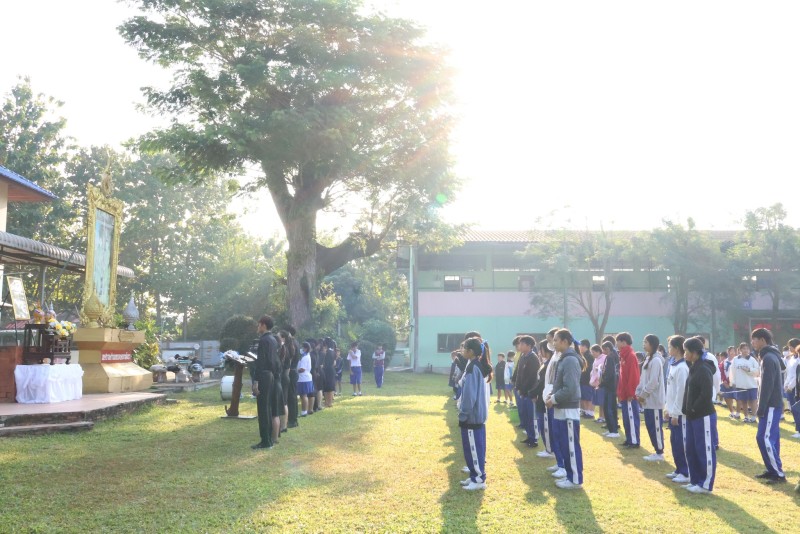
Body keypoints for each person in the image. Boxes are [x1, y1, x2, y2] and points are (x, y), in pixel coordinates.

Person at [546, 328, 584, 490]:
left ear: (564, 341)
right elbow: (560, 384)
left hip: (568, 409)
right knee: (564, 444)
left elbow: (570, 388)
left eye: (555, 340)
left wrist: (554, 398)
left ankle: (575, 480)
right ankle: (569, 475)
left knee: (570, 446)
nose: (553, 343)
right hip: (561, 408)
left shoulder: (570, 360)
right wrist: (552, 396)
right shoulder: (564, 358)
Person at [751, 328, 787, 484]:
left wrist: (761, 407)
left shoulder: (769, 357)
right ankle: (772, 469)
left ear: (762, 340)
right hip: (772, 404)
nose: (752, 342)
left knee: (764, 438)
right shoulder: (770, 355)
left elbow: (767, 386)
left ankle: (778, 473)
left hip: (771, 405)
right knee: (772, 438)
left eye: (754, 339)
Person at [682, 337, 717, 494]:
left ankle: (706, 484)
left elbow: (706, 394)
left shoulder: (703, 368)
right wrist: (687, 409)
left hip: (703, 415)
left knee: (704, 450)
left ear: (694, 352)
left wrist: (694, 409)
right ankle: (695, 480)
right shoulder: (693, 366)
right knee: (691, 449)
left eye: (686, 351)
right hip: (691, 416)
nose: (684, 354)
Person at [457, 337, 489, 491]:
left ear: (470, 351)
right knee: (471, 449)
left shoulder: (473, 367)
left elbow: (470, 396)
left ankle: (478, 479)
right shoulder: (473, 365)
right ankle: (473, 475)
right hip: (473, 416)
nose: (462, 350)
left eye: (464, 348)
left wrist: (463, 413)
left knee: (474, 449)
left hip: (472, 417)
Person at [664, 335, 690, 484]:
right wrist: (667, 408)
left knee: (681, 442)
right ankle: (679, 468)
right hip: (672, 411)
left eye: (670, 346)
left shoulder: (682, 368)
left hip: (679, 414)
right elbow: (670, 391)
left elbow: (681, 393)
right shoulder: (673, 365)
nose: (668, 349)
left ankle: (686, 472)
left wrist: (675, 413)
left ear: (677, 348)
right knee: (674, 442)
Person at [637, 334, 665, 461]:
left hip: (654, 400)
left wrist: (643, 394)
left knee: (655, 427)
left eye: (646, 342)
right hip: (647, 400)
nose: (644, 344)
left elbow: (653, 381)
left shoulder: (656, 361)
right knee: (649, 426)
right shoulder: (648, 358)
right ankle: (656, 450)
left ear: (652, 344)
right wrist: (638, 392)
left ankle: (659, 452)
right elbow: (643, 379)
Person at [251, 316, 278, 449]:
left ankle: (265, 441)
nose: (258, 327)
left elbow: (260, 362)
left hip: (263, 376)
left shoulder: (263, 340)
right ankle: (269, 439)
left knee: (263, 409)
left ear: (263, 325)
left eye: (259, 325)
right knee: (268, 408)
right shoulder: (273, 339)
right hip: (271, 375)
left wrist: (255, 381)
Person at [616, 332, 641, 448]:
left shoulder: (630, 355)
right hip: (624, 393)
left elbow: (633, 376)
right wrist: (620, 392)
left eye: (618, 341)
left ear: (623, 342)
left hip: (629, 395)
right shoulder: (623, 355)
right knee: (626, 418)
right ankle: (629, 438)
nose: (616, 344)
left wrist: (631, 393)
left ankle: (634, 441)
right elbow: (622, 377)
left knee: (631, 417)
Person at [516, 336, 540, 447]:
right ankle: (529, 436)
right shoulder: (522, 356)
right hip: (523, 392)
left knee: (531, 416)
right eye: (519, 344)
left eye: (522, 344)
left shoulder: (533, 358)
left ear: (529, 346)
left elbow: (532, 378)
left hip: (530, 392)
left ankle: (534, 439)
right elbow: (519, 374)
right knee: (525, 416)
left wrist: (524, 390)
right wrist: (518, 387)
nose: (519, 346)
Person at [534, 341, 553, 458]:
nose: (539, 352)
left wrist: (532, 393)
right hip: (541, 398)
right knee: (542, 425)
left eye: (540, 349)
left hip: (545, 399)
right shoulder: (546, 363)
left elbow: (541, 384)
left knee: (546, 426)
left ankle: (550, 450)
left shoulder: (550, 364)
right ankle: (548, 448)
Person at [732, 342, 760, 423]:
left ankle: (754, 417)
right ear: (740, 350)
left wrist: (749, 370)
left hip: (751, 384)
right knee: (743, 401)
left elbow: (757, 371)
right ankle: (746, 416)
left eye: (747, 349)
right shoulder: (736, 359)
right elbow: (733, 371)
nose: (746, 350)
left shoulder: (752, 359)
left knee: (753, 400)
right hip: (740, 384)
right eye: (744, 348)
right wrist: (733, 381)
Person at [601, 340, 620, 438]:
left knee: (609, 409)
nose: (603, 352)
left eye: (604, 350)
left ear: (607, 349)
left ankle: (614, 431)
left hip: (610, 387)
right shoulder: (615, 356)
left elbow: (609, 373)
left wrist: (602, 383)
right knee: (610, 408)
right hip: (613, 386)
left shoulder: (610, 357)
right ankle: (611, 429)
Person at [297, 341, 314, 416]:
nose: (301, 349)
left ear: (306, 348)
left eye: (302, 347)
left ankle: (304, 411)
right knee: (303, 395)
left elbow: (302, 369)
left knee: (303, 395)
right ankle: (304, 411)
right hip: (305, 378)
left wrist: (294, 371)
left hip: (303, 378)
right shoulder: (306, 355)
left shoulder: (304, 357)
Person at [589, 344, 605, 423]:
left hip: (601, 383)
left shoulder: (604, 358)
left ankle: (603, 417)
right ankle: (600, 417)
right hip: (596, 384)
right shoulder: (596, 359)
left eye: (593, 352)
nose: (592, 354)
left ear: (598, 351)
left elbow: (602, 370)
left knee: (603, 402)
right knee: (599, 402)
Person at [579, 339, 595, 418]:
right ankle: (585, 411)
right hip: (582, 380)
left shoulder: (589, 356)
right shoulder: (582, 355)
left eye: (581, 346)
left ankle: (590, 413)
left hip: (587, 380)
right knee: (583, 397)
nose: (580, 347)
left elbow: (589, 369)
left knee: (589, 398)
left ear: (586, 347)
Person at [322, 338, 337, 407]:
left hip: (328, 370)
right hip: (330, 369)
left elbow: (327, 363)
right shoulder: (332, 351)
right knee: (327, 387)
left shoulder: (328, 352)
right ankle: (327, 402)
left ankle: (329, 403)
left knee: (329, 387)